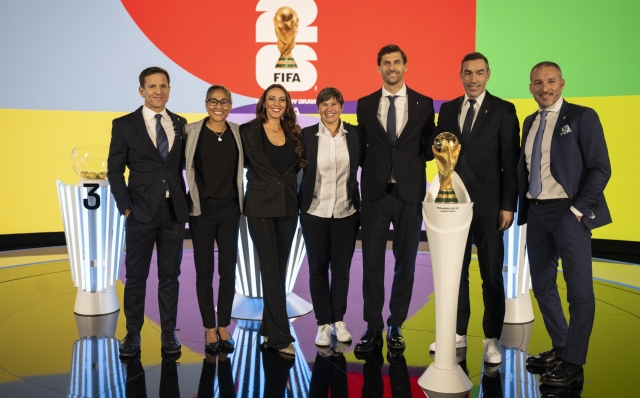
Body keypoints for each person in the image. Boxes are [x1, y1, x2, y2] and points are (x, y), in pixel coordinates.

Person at [518, 62, 611, 386]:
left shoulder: (583, 117)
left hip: (569, 214)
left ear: (562, 83)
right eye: (538, 82)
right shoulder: (529, 122)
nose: (545, 88)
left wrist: (578, 210)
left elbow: (601, 168)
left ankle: (574, 363)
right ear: (530, 87)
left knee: (579, 293)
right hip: (537, 213)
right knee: (542, 286)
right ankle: (562, 347)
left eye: (551, 81)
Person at [428, 52, 520, 364]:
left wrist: (508, 205)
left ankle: (492, 338)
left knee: (492, 275)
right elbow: (444, 154)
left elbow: (511, 162)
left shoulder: (504, 111)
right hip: (454, 207)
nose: (473, 79)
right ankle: (457, 332)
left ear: (488, 75)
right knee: (456, 273)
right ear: (460, 75)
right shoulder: (449, 108)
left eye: (479, 73)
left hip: (490, 207)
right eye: (468, 73)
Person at [354, 44, 435, 353]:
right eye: (385, 63)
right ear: (379, 68)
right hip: (374, 192)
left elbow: (430, 144)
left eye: (396, 62)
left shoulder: (424, 103)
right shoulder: (364, 104)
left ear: (405, 66)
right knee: (372, 264)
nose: (391, 67)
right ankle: (373, 327)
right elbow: (360, 147)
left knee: (407, 263)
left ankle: (396, 324)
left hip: (410, 193)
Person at [108, 66, 188, 357]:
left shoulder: (180, 123)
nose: (158, 91)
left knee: (170, 276)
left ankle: (168, 333)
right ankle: (132, 334)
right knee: (136, 277)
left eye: (163, 86)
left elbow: (182, 166)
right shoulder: (124, 124)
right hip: (140, 213)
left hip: (173, 213)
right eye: (152, 86)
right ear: (141, 91)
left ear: (169, 89)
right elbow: (115, 171)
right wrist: (126, 208)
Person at [240, 84, 306, 356]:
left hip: (289, 206)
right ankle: (281, 337)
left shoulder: (295, 132)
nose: (277, 103)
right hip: (259, 206)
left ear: (287, 104)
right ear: (264, 102)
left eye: (282, 99)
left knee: (279, 269)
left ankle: (268, 329)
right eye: (272, 99)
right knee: (269, 266)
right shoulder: (248, 131)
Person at [299, 87, 365, 347]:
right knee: (317, 270)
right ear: (318, 108)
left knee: (341, 270)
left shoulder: (355, 135)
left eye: (334, 103)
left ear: (341, 106)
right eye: (324, 104)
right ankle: (323, 324)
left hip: (346, 213)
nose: (329, 109)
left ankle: (338, 320)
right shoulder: (307, 136)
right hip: (314, 213)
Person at [184, 85, 244, 355]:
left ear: (230, 105)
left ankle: (223, 325)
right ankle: (209, 326)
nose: (218, 106)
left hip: (230, 211)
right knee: (204, 272)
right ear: (206, 103)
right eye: (213, 101)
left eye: (224, 102)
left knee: (228, 273)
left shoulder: (238, 133)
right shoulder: (191, 132)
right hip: (202, 212)